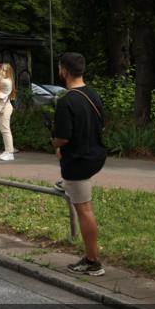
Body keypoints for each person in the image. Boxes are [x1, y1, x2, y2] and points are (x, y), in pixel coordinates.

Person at [52, 52, 107, 276]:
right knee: (83, 201)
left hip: (78, 161)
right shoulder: (93, 94)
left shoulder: (66, 100)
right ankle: (66, 184)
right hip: (95, 155)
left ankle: (93, 261)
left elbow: (63, 138)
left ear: (64, 70)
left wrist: (53, 142)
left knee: (85, 211)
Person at [0, 63, 17, 161]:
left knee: (6, 130)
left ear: (8, 72)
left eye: (4, 70)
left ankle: (10, 153)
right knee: (3, 130)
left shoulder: (6, 81)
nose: (2, 71)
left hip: (5, 107)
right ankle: (7, 151)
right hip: (2, 106)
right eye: (2, 69)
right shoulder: (4, 80)